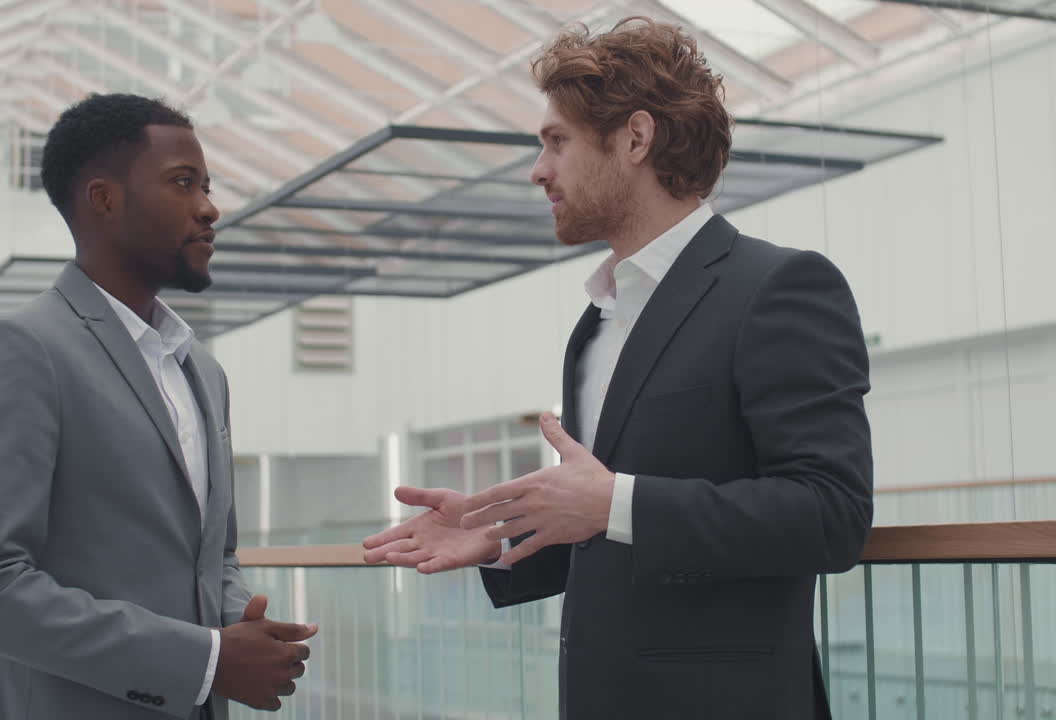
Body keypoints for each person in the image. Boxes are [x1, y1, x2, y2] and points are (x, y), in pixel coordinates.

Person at [364, 17, 872, 720]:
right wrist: (503, 536)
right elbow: (605, 525)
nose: (538, 170)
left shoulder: (780, 288)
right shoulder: (595, 324)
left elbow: (830, 515)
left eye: (556, 142)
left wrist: (612, 502)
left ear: (635, 138)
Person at [0, 93, 316, 720]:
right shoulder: (25, 349)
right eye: (183, 183)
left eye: (207, 186)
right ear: (104, 199)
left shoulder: (203, 371)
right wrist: (206, 661)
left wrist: (237, 626)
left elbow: (213, 553)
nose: (210, 208)